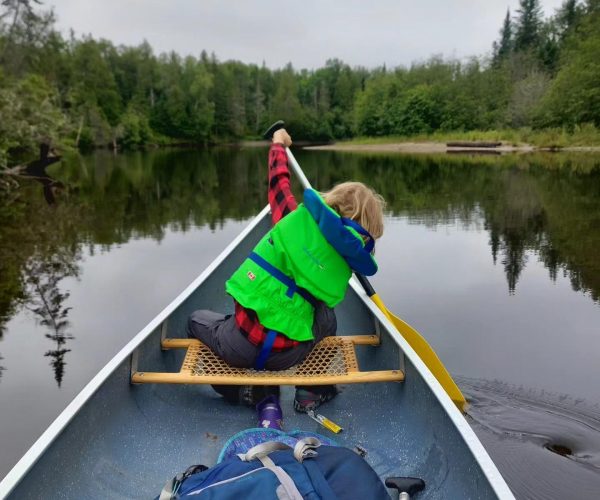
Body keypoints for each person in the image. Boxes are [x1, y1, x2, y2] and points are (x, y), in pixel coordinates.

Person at [187, 128, 385, 412]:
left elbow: (279, 184)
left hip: (237, 346)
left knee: (196, 320)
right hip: (288, 355)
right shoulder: (345, 263)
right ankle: (310, 391)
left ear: (330, 203)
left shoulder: (291, 219)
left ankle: (238, 391)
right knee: (327, 318)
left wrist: (278, 144)